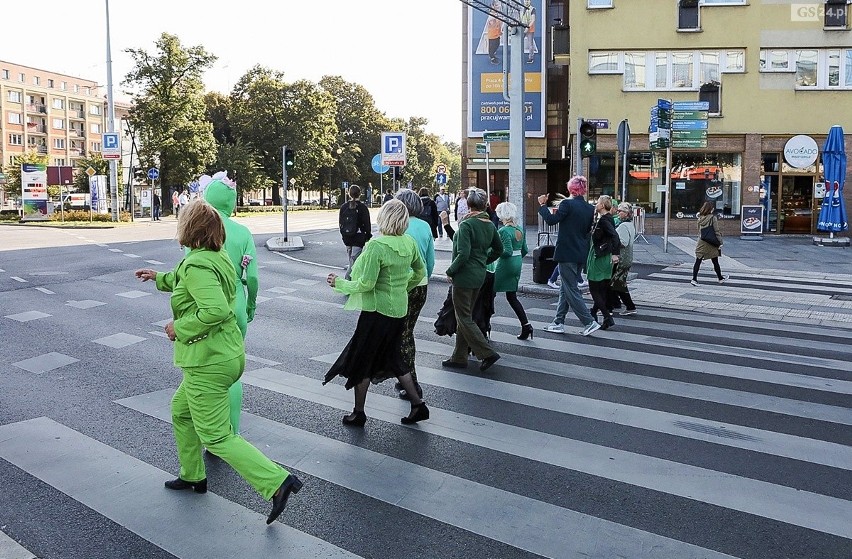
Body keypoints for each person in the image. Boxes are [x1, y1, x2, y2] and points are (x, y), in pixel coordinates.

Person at [134, 200, 301, 526]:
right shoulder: (213, 257)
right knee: (181, 411)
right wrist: (159, 278)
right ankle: (193, 475)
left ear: (189, 229)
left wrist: (178, 327)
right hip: (226, 354)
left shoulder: (197, 265)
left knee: (217, 437)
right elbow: (186, 280)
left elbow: (215, 310)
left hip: (207, 360)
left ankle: (277, 482)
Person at [323, 199, 429, 426]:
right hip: (399, 311)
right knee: (395, 358)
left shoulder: (376, 246)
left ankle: (358, 413)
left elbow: (366, 284)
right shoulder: (409, 243)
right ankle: (418, 404)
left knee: (363, 361)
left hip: (377, 313)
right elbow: (420, 271)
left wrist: (339, 284)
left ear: (384, 218)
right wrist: (403, 288)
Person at [198, 172, 258, 435]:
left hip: (209, 306)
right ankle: (232, 431)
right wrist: (251, 305)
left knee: (206, 371)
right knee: (233, 373)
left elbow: (189, 275)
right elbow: (253, 277)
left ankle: (210, 429)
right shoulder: (243, 233)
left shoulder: (199, 231)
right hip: (237, 305)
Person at [443, 188, 504, 372]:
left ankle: (487, 352)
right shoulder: (489, 225)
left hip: (464, 277)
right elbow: (498, 250)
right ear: (484, 204)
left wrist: (450, 271)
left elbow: (463, 254)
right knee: (465, 316)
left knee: (463, 317)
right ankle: (459, 357)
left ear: (468, 205)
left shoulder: (467, 225)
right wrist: (484, 260)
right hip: (479, 275)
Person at [537, 176, 600, 337]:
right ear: (584, 189)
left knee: (571, 289)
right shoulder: (589, 208)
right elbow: (587, 231)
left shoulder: (567, 204)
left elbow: (551, 220)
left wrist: (543, 205)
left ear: (571, 189)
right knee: (565, 288)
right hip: (580, 253)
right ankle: (558, 322)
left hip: (566, 253)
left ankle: (589, 321)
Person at [394, 189, 435, 401]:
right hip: (421, 286)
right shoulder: (425, 226)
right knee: (407, 332)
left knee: (403, 335)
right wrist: (423, 279)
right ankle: (404, 376)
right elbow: (430, 261)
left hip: (402, 286)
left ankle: (411, 383)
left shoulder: (399, 226)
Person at [494, 202, 532, 340]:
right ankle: (526, 325)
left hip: (506, 264)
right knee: (512, 296)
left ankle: (485, 326)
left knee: (489, 293)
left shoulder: (503, 231)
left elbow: (506, 252)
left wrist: (494, 253)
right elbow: (525, 250)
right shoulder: (520, 229)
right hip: (517, 263)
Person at [587, 195, 620, 331]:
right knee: (602, 289)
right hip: (604, 256)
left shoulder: (604, 220)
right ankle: (594, 312)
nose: (596, 204)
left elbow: (614, 236)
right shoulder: (608, 219)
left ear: (602, 205)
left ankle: (607, 316)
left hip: (598, 257)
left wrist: (615, 253)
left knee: (594, 289)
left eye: (598, 202)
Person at [609, 202, 638, 316]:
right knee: (618, 283)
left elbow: (623, 242)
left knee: (615, 283)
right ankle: (618, 304)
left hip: (621, 258)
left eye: (620, 211)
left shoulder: (623, 226)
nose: (618, 212)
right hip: (627, 258)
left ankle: (625, 306)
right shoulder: (630, 224)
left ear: (626, 214)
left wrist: (612, 243)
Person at [339, 184, 372, 280]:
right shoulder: (362, 208)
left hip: (347, 238)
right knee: (354, 262)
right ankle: (347, 281)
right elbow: (367, 224)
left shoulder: (344, 207)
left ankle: (352, 281)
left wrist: (344, 235)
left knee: (351, 260)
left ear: (349, 194)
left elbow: (340, 223)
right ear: (360, 194)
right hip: (358, 238)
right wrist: (368, 236)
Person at [692, 201, 729, 286]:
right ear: (710, 209)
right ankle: (720, 278)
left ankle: (694, 279)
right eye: (712, 208)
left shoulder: (700, 218)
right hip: (711, 242)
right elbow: (716, 231)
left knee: (698, 260)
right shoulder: (712, 218)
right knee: (715, 260)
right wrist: (720, 242)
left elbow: (699, 231)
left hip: (702, 241)